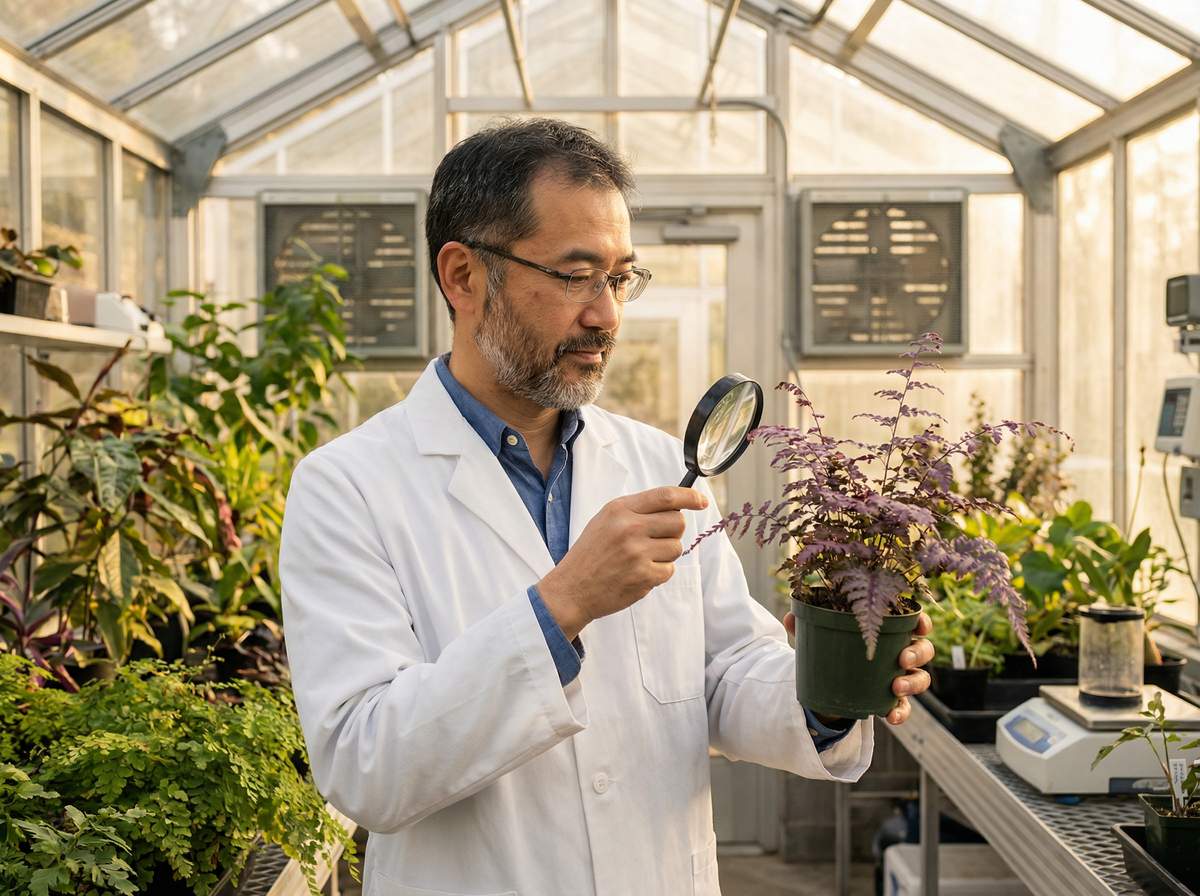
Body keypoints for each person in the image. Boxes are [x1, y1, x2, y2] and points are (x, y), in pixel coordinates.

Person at [279, 118, 934, 896]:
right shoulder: (347, 487)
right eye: (574, 276)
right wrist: (562, 605)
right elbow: (364, 765)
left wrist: (822, 695)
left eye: (620, 278)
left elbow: (722, 673)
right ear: (462, 277)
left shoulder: (657, 463)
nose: (608, 316)